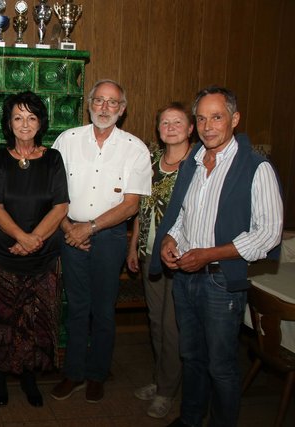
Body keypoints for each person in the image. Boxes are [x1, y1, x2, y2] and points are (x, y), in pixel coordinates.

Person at [150, 86, 283, 427]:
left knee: (221, 366)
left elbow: (268, 234)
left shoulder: (256, 167)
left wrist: (209, 254)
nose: (208, 126)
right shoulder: (193, 163)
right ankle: (192, 419)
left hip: (220, 281)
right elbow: (182, 216)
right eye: (202, 118)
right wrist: (169, 240)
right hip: (185, 277)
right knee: (191, 356)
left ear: (234, 120)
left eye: (217, 117)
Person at [50, 79, 152, 403]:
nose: (104, 108)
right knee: (77, 308)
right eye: (99, 101)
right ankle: (74, 372)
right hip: (70, 234)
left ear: (122, 110)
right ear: (89, 104)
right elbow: (52, 193)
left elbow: (131, 204)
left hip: (109, 238)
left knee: (104, 310)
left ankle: (97, 374)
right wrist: (68, 228)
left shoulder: (135, 148)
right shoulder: (66, 140)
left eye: (112, 103)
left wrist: (89, 228)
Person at [0, 91, 69, 407]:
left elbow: (60, 207)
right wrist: (22, 238)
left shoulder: (53, 159)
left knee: (34, 320)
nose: (24, 124)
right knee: (3, 318)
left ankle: (29, 375)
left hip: (44, 256)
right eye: (18, 117)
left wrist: (34, 240)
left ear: (40, 122)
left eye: (31, 117)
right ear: (9, 123)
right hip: (6, 254)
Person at [126, 102, 193, 418]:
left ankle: (167, 390)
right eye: (165, 122)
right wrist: (132, 249)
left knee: (172, 325)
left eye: (177, 121)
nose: (171, 127)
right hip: (149, 252)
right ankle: (161, 378)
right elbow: (142, 207)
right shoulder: (151, 162)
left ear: (190, 128)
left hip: (180, 256)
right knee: (156, 322)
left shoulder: (196, 165)